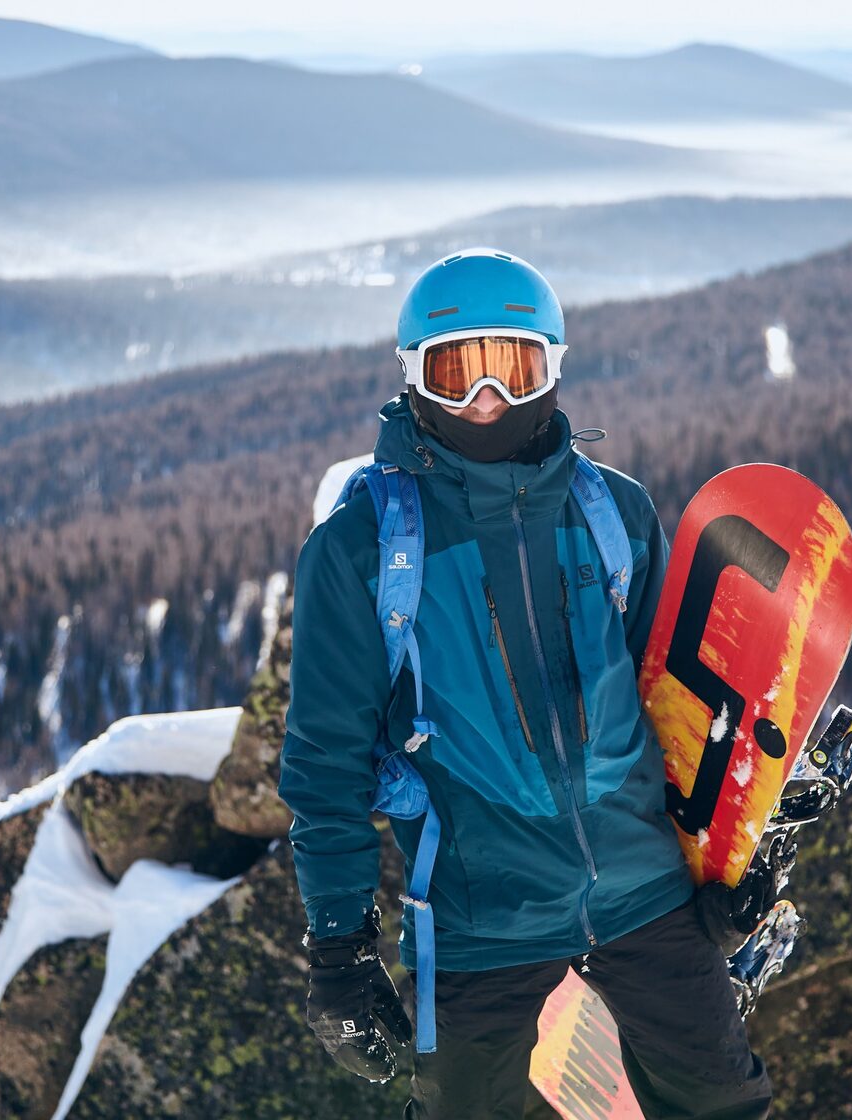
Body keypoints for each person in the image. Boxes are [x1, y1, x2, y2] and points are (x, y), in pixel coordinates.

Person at [279, 248, 774, 1119]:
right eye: (456, 371)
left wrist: (718, 858)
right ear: (412, 381)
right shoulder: (362, 548)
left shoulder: (613, 513)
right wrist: (339, 948)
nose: (486, 401)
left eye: (513, 367)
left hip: (643, 890)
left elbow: (677, 712)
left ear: (553, 367)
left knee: (723, 1106)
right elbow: (326, 759)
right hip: (477, 918)